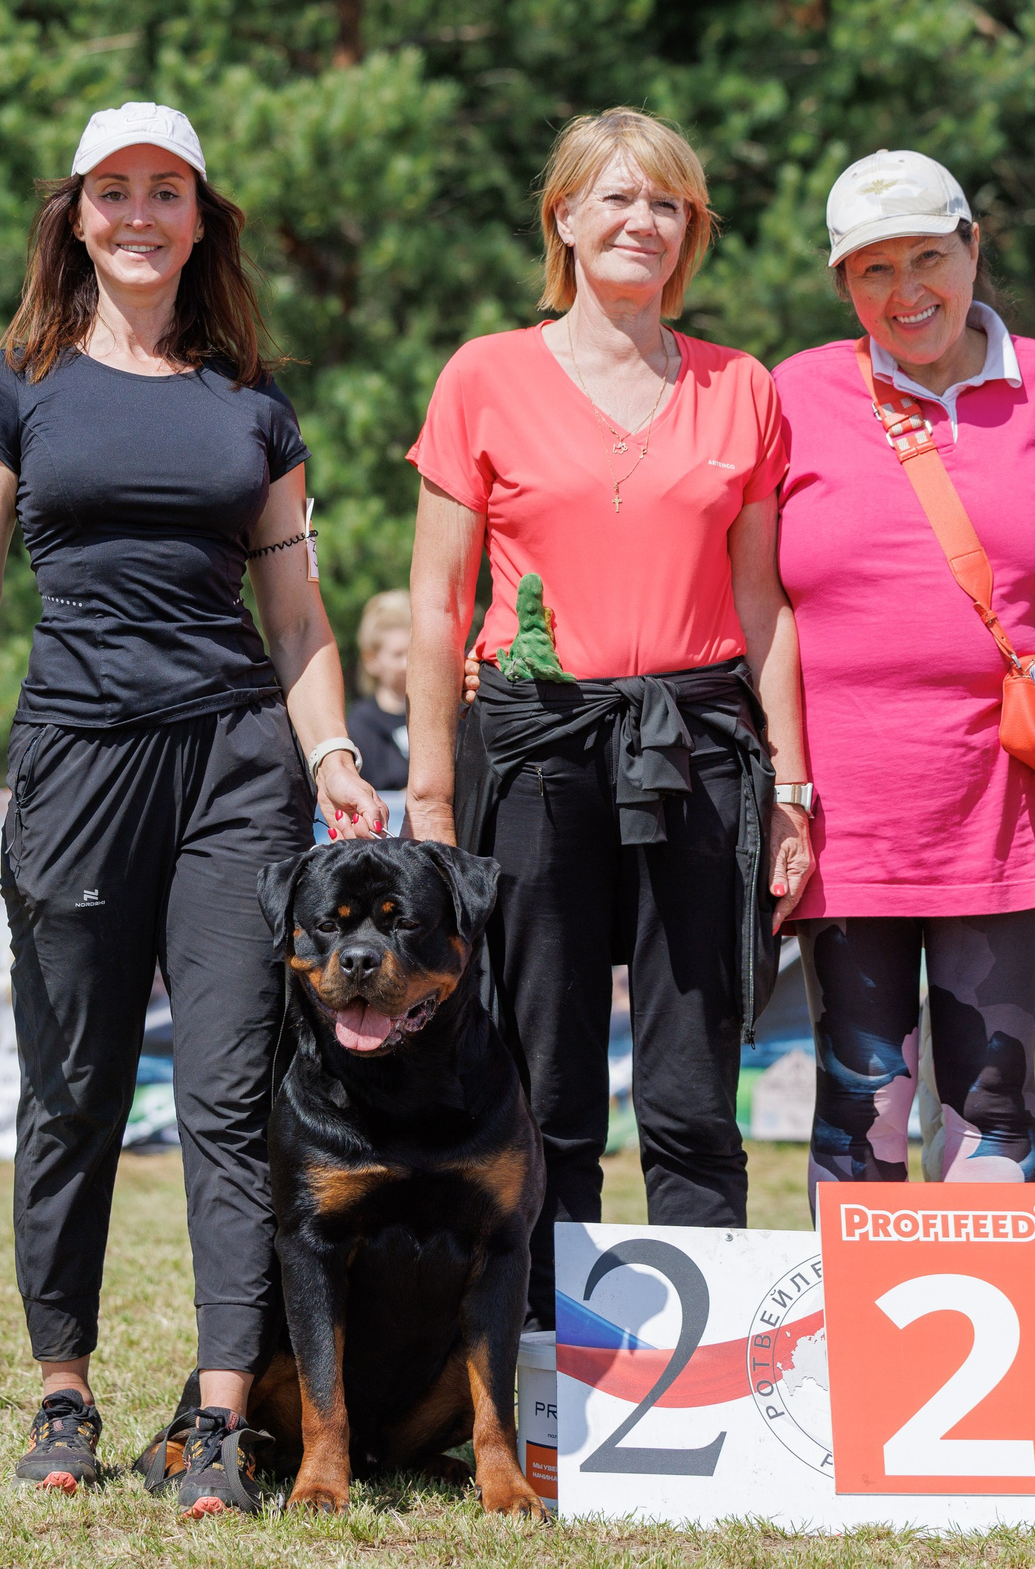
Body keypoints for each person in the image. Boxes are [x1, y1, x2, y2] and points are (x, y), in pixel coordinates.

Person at [0, 101, 385, 1516]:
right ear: (74, 213)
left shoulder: (254, 400)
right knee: (69, 1090)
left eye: (164, 191)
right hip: (73, 761)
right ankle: (63, 1391)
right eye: (110, 190)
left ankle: (221, 1416)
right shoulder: (17, 384)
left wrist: (334, 759)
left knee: (232, 1098)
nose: (137, 215)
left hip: (236, 766)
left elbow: (296, 614)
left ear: (202, 217)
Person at [403, 107, 816, 1325]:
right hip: (532, 749)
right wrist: (429, 794)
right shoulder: (484, 374)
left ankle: (709, 1382)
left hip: (698, 748)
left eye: (670, 203)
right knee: (547, 1078)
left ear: (692, 230)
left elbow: (764, 605)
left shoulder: (741, 387)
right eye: (619, 198)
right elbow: (435, 598)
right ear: (566, 217)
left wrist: (792, 788)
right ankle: (544, 1361)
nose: (644, 222)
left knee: (693, 1090)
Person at [772, 151, 1035, 1192]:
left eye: (929, 259)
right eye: (873, 271)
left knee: (992, 1108)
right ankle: (856, 1359)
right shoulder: (792, 394)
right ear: (842, 284)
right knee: (860, 1115)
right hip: (847, 820)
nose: (906, 294)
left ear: (974, 248)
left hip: (1004, 808)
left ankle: (988, 1354)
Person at [345, 589, 412, 791]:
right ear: (371, 660)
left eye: (413, 651)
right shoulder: (360, 725)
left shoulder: (445, 714)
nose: (408, 663)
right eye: (398, 655)